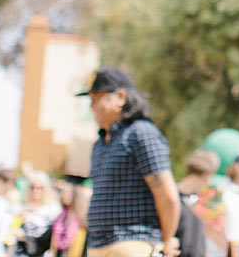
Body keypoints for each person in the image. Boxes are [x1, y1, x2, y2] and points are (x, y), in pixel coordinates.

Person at [77, 67, 181, 257]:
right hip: (98, 245)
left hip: (134, 243)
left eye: (96, 99)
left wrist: (166, 242)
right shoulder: (100, 143)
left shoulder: (141, 133)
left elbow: (168, 196)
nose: (92, 107)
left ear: (121, 97)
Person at [174, 150, 219, 257]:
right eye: (207, 178)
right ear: (194, 177)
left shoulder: (197, 200)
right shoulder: (174, 200)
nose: (209, 183)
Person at [16, 171, 60, 256]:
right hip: (23, 252)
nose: (35, 190)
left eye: (39, 188)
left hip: (42, 252)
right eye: (32, 187)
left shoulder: (53, 209)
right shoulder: (22, 208)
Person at [49, 180, 82, 257]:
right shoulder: (60, 214)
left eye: (67, 192)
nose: (64, 195)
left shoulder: (80, 218)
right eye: (63, 192)